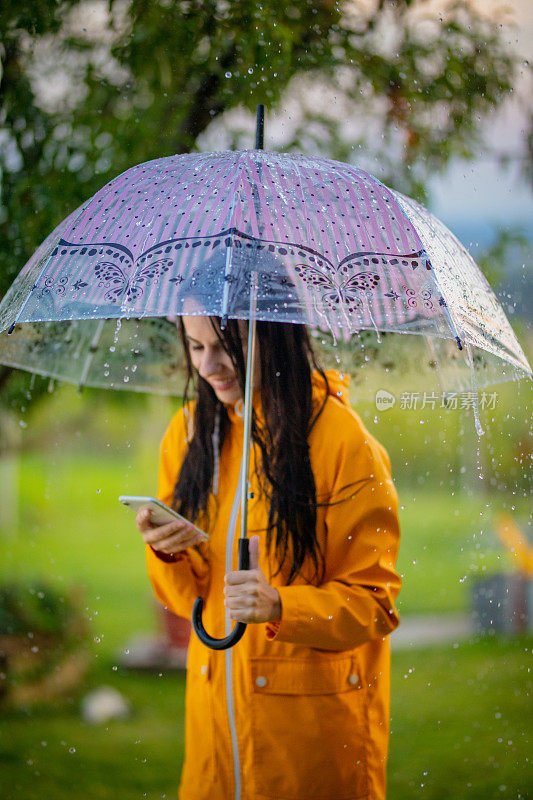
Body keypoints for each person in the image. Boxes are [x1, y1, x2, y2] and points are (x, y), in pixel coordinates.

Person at [136, 315, 401, 800]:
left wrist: (281, 606)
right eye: (195, 348)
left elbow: (375, 605)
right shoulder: (190, 434)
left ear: (273, 336)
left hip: (309, 745)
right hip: (213, 739)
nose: (209, 366)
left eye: (226, 347)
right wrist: (168, 553)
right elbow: (186, 600)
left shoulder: (341, 439)